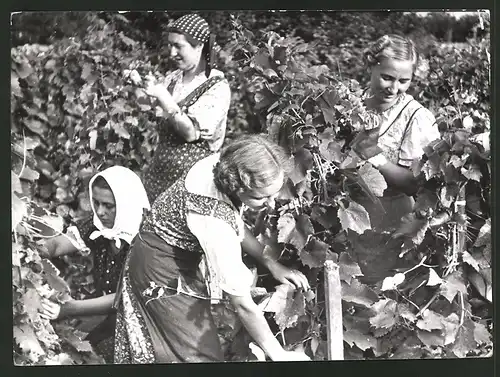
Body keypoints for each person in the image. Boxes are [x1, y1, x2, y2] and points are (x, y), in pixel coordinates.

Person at [113, 135, 311, 363]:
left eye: (274, 193)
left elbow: (234, 222)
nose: (272, 203)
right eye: (262, 197)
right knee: (197, 356)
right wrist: (277, 353)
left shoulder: (225, 163)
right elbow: (242, 303)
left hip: (173, 255)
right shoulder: (214, 219)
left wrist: (270, 263)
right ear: (238, 187)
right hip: (158, 268)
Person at [347, 34, 441, 284]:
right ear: (370, 66)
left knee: (379, 291)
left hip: (390, 216)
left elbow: (416, 184)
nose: (394, 88)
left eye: (403, 81)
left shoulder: (416, 117)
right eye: (387, 77)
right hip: (345, 213)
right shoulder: (350, 104)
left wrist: (374, 157)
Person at [39, 166, 150, 363]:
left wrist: (68, 309)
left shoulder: (145, 239)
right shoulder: (99, 224)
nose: (100, 211)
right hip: (106, 315)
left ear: (127, 204)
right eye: (96, 203)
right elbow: (56, 245)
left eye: (109, 205)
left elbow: (123, 296)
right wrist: (25, 246)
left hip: (138, 323)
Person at [142, 13, 231, 203]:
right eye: (170, 45)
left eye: (178, 46)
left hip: (192, 184)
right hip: (159, 177)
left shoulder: (216, 85)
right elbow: (157, 115)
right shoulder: (173, 79)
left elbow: (191, 133)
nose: (172, 52)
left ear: (199, 46)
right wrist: (140, 88)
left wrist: (162, 96)